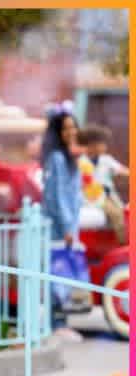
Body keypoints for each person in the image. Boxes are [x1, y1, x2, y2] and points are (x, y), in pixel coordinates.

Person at [39, 102, 84, 342]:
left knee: (63, 274)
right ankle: (56, 323)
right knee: (58, 274)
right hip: (59, 229)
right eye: (66, 128)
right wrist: (67, 227)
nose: (71, 132)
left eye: (73, 127)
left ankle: (59, 321)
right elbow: (56, 196)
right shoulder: (57, 158)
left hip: (68, 227)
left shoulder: (68, 157)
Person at [77, 124, 128, 244]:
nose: (105, 146)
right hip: (92, 198)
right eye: (102, 144)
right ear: (91, 145)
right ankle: (125, 243)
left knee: (124, 212)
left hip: (108, 196)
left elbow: (121, 170)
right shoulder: (80, 161)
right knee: (117, 215)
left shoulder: (106, 159)